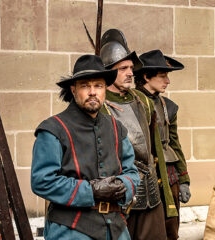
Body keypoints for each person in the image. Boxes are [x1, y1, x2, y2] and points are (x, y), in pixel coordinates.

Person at [30, 54, 140, 240]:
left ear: (105, 89)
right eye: (85, 86)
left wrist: (122, 185)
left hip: (116, 229)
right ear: (73, 90)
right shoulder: (53, 129)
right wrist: (91, 190)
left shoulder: (116, 128)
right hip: (71, 230)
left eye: (98, 85)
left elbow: (132, 172)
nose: (92, 92)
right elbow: (42, 181)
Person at [97, 29, 169, 239]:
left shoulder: (143, 101)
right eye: (123, 68)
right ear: (109, 71)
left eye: (131, 68)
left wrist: (168, 202)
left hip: (150, 195)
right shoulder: (98, 105)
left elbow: (156, 152)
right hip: (118, 196)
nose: (130, 73)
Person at [134, 49, 192, 239]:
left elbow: (175, 144)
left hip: (170, 176)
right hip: (145, 178)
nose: (167, 81)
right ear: (146, 76)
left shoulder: (169, 106)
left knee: (171, 231)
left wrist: (183, 180)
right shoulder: (132, 103)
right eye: (162, 76)